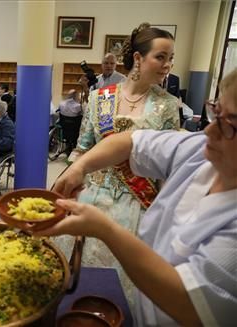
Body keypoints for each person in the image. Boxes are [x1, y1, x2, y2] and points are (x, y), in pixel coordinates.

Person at [28, 68, 237, 326]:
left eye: (230, 125)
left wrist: (105, 229)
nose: (209, 131)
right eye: (216, 113)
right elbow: (129, 142)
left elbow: (192, 304)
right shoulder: (198, 152)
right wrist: (79, 168)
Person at [63, 23, 180, 305]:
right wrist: (71, 183)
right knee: (83, 284)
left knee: (123, 296)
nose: (168, 65)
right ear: (138, 59)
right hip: (93, 199)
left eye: (170, 58)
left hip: (137, 207)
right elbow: (82, 148)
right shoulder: (99, 98)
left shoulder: (167, 105)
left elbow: (167, 167)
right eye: (160, 57)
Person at [57, 89, 83, 155]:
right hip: (74, 129)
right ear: (75, 96)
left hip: (64, 127)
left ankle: (67, 146)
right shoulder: (78, 106)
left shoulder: (61, 103)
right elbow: (81, 115)